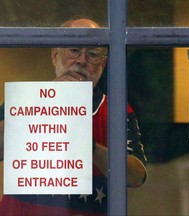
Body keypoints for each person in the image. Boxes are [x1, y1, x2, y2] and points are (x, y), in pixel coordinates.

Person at [0, 18, 147, 216]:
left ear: (103, 65)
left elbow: (136, 177)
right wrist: (45, 100)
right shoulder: (23, 99)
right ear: (55, 56)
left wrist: (90, 147)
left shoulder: (116, 110)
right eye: (74, 50)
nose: (81, 60)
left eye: (93, 54)